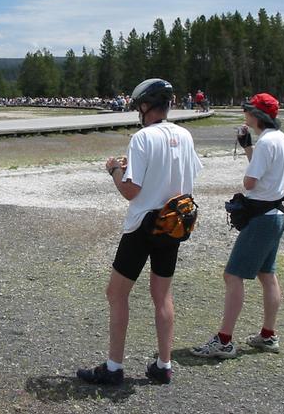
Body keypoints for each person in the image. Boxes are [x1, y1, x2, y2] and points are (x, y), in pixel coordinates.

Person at [76, 78, 202, 386]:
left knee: (117, 293)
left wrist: (114, 171)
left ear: (146, 106)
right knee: (162, 296)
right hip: (173, 222)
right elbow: (186, 174)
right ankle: (164, 364)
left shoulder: (142, 138)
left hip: (142, 226)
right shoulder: (185, 135)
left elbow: (131, 191)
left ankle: (114, 366)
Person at [191, 92, 284, 359]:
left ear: (256, 115)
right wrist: (248, 148)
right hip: (276, 214)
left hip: (261, 216)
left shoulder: (266, 142)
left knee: (233, 275)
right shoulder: (280, 138)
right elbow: (265, 174)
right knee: (267, 275)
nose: (245, 115)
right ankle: (268, 335)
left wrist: (251, 157)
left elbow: (250, 182)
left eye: (248, 111)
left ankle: (224, 340)